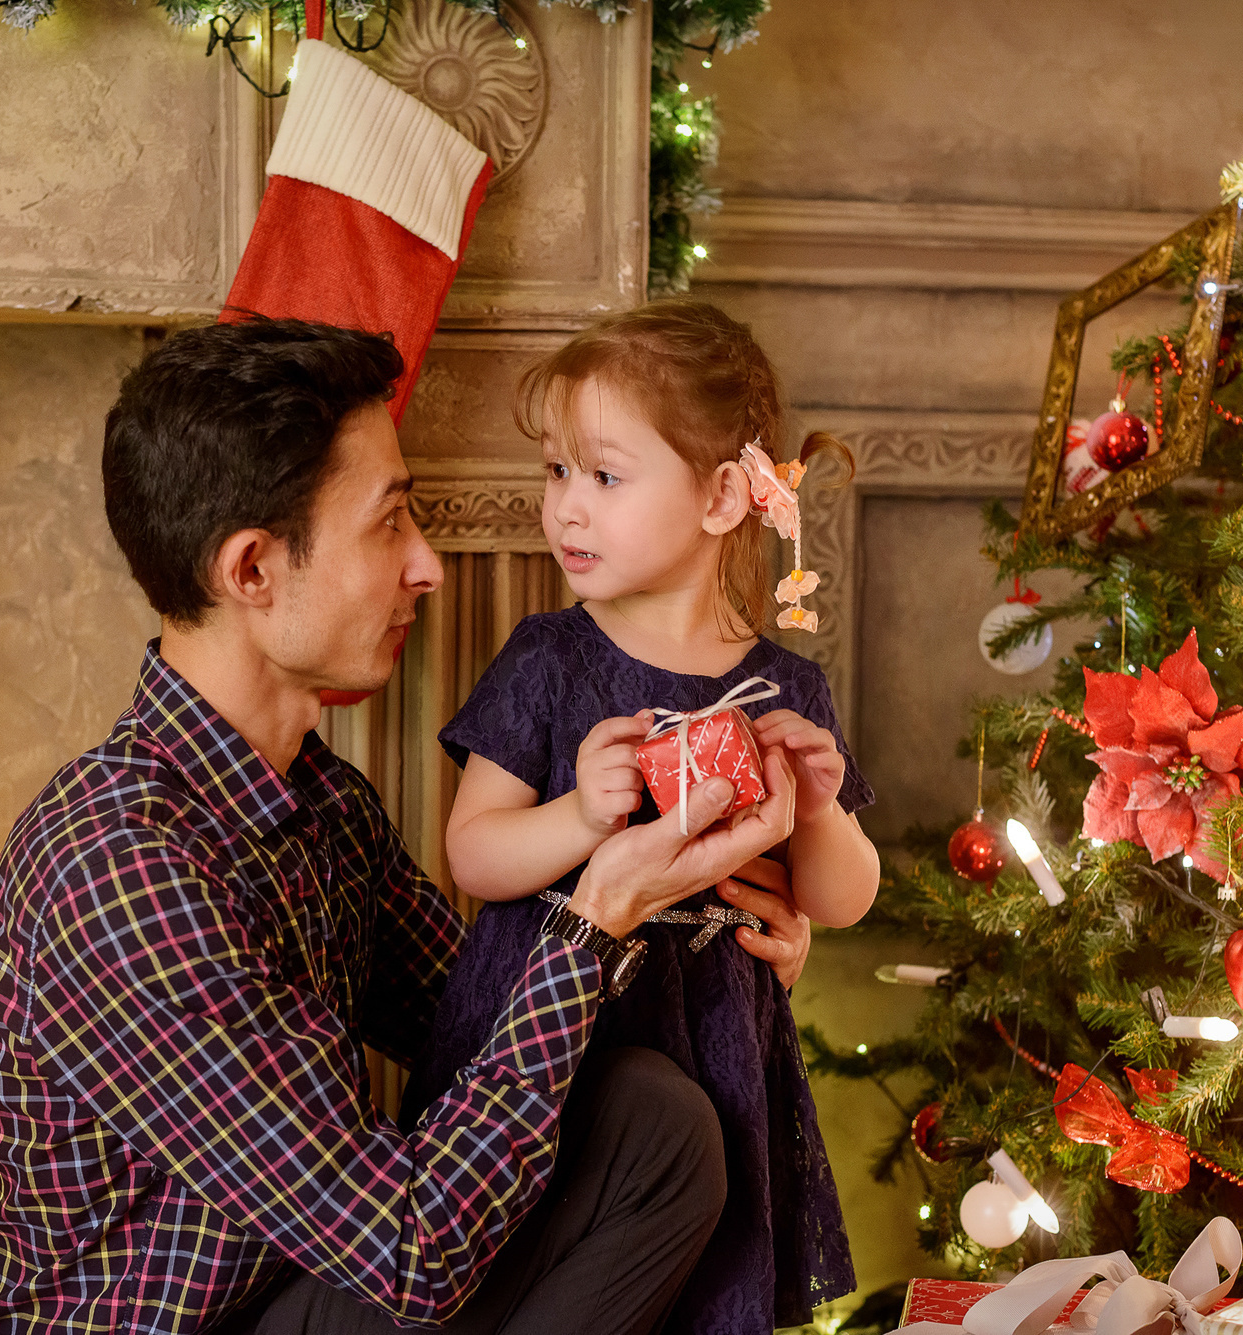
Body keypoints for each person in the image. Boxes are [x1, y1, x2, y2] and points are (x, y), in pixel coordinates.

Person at [0, 316, 816, 1335]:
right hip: (226, 1317)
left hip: (299, 1298)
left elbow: (492, 1034)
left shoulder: (321, 809)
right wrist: (600, 911)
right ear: (251, 571)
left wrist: (713, 945)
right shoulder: (119, 869)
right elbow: (412, 1250)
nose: (428, 568)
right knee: (469, 1222)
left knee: (647, 1122)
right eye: (389, 524)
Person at [402, 298, 880, 1335]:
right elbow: (473, 853)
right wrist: (580, 816)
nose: (567, 509)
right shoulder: (548, 659)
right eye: (555, 473)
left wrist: (821, 809)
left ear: (718, 497)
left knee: (702, 1291)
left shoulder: (781, 694)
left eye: (604, 477)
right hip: (552, 1042)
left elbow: (836, 902)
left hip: (716, 1040)